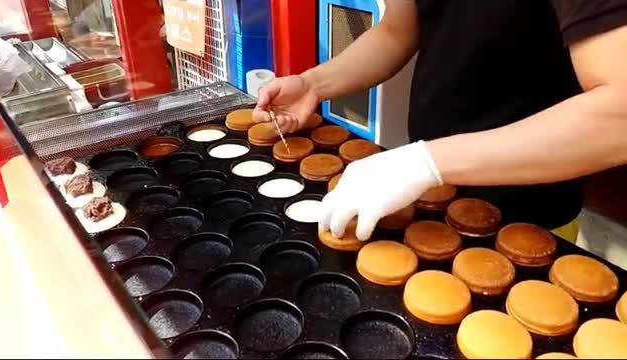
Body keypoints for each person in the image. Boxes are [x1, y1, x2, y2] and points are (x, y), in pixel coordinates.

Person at [253, 1, 627, 247]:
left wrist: (425, 162)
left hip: (532, 217)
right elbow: (397, 30)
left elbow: (619, 113)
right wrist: (314, 84)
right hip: (423, 198)